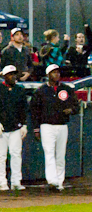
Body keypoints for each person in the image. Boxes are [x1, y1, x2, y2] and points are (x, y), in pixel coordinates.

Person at [30, 63, 80, 191]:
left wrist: (71, 110)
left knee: (60, 154)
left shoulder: (66, 89)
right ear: (48, 75)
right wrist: (36, 129)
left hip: (62, 125)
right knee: (49, 153)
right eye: (54, 72)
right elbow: (35, 111)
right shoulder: (41, 91)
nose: (57, 74)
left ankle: (60, 181)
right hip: (46, 125)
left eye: (58, 72)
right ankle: (52, 180)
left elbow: (76, 105)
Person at [0, 65, 28, 191]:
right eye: (10, 74)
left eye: (14, 74)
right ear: (4, 76)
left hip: (15, 127)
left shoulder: (20, 90)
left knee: (16, 154)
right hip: (0, 128)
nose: (13, 76)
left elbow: (24, 109)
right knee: (1, 155)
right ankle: (2, 182)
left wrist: (24, 124)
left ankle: (16, 181)